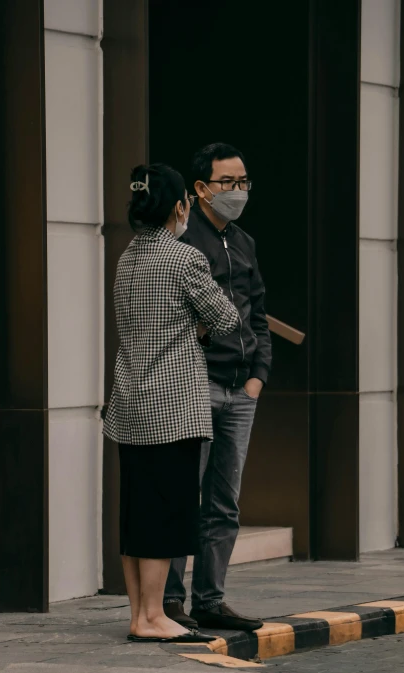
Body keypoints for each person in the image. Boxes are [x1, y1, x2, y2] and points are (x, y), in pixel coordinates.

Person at [103, 162, 239, 643]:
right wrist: (196, 326)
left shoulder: (127, 257)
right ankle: (156, 616)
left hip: (129, 399)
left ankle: (140, 614)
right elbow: (225, 320)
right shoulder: (184, 259)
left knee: (136, 512)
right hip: (173, 405)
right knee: (166, 512)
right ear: (180, 206)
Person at [164, 143, 272, 633]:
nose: (238, 191)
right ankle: (170, 602)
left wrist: (257, 378)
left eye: (243, 182)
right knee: (185, 496)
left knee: (225, 503)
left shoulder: (244, 242)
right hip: (198, 386)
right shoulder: (185, 244)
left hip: (240, 392)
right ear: (202, 189)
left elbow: (258, 315)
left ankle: (211, 600)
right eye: (228, 183)